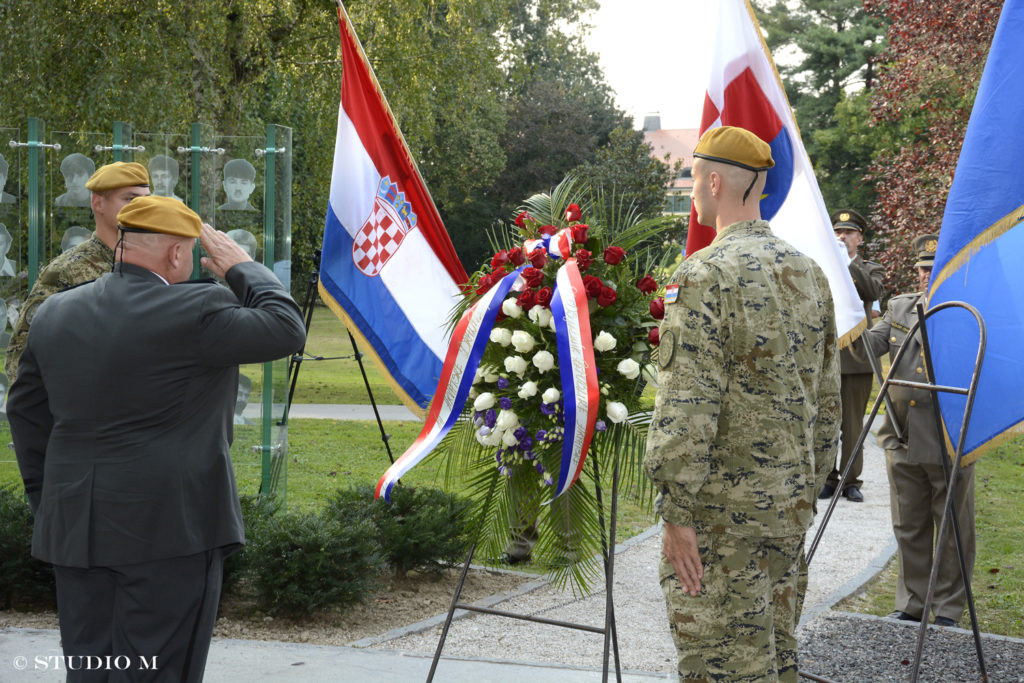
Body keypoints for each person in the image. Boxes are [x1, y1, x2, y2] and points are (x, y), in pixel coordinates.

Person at [7, 195, 306, 683]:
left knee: (91, 671)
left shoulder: (55, 313)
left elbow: (25, 414)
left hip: (74, 529)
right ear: (174, 255)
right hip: (171, 531)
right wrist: (244, 268)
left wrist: (50, 503)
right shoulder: (198, 308)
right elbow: (286, 328)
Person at [643, 125, 840, 682]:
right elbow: (829, 403)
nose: (690, 194)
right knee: (777, 660)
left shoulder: (705, 274)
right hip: (786, 510)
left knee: (723, 666)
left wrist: (676, 511)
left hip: (720, 520)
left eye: (691, 182)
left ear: (712, 181)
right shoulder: (809, 274)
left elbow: (688, 404)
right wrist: (806, 483)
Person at [861, 233, 975, 628]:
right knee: (908, 524)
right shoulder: (899, 307)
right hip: (901, 432)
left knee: (951, 526)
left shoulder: (967, 309)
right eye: (922, 270)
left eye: (933, 269)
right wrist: (841, 319)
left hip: (947, 435)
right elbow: (869, 345)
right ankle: (912, 604)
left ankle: (946, 609)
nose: (926, 276)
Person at [5, 161, 151, 380]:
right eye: (130, 199)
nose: (141, 208)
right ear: (98, 203)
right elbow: (20, 357)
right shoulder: (66, 271)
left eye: (146, 201)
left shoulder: (151, 265)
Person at [819, 209, 884, 503]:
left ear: (860, 238)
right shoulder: (821, 265)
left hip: (856, 356)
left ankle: (850, 480)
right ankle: (828, 477)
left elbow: (872, 290)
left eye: (848, 233)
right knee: (826, 421)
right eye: (838, 232)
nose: (842, 237)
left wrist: (847, 263)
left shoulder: (869, 268)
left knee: (854, 424)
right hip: (828, 355)